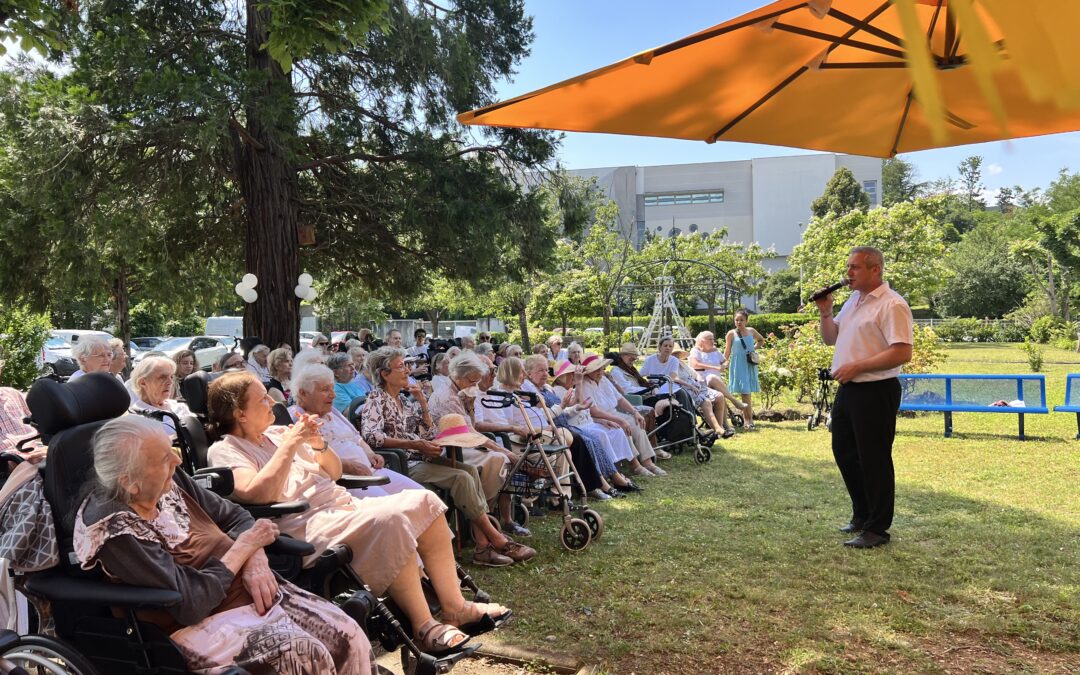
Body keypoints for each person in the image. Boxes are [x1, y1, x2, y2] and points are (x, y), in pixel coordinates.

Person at [206, 371, 512, 651]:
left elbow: (334, 471)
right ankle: (423, 627)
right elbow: (258, 493)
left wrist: (318, 445)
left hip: (341, 505)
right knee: (390, 520)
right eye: (262, 398)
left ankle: (455, 606)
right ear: (239, 412)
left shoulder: (276, 435)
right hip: (305, 523)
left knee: (426, 502)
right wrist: (291, 445)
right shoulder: (226, 448)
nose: (272, 401)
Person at [74, 416, 375, 674]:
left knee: (348, 635)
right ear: (129, 482)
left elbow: (234, 514)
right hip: (198, 623)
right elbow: (191, 604)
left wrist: (255, 558)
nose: (178, 461)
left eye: (172, 451)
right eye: (166, 459)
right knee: (304, 656)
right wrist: (244, 548)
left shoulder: (167, 479)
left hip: (251, 592)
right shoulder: (115, 528)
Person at [359, 347, 535, 567]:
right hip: (403, 463)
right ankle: (494, 541)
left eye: (406, 365)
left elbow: (430, 433)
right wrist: (415, 444)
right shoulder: (376, 398)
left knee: (469, 471)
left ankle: (484, 546)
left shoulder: (402, 400)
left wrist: (423, 403)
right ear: (385, 374)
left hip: (421, 456)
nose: (407, 370)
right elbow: (371, 436)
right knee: (461, 477)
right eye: (401, 366)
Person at [816, 246, 913, 549]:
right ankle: (862, 514)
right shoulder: (854, 301)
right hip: (850, 389)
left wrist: (858, 366)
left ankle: (877, 529)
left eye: (855, 267)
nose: (848, 274)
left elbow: (902, 351)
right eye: (848, 267)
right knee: (844, 451)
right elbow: (831, 337)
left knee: (874, 458)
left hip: (876, 389)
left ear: (875, 270)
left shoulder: (891, 304)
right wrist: (825, 311)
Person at [289, 364, 423, 498]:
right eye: (325, 390)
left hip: (371, 471)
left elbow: (356, 437)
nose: (333, 395)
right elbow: (308, 459)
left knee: (423, 496)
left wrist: (370, 454)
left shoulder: (333, 412)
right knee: (395, 508)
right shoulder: (296, 419)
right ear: (303, 393)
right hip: (345, 480)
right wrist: (346, 466)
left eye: (332, 388)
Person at [427, 351, 521, 537]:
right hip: (449, 449)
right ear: (459, 376)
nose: (475, 386)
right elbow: (469, 433)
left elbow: (470, 427)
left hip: (464, 443)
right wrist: (504, 450)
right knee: (498, 459)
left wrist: (469, 406)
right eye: (472, 382)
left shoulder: (460, 391)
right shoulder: (448, 397)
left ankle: (490, 516)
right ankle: (481, 517)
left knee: (499, 458)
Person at [550, 361, 642, 495]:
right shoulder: (558, 390)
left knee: (613, 431)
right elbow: (577, 404)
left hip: (586, 422)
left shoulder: (571, 387)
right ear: (563, 377)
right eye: (571, 375)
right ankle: (609, 478)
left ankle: (618, 472)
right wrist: (580, 383)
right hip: (575, 426)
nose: (574, 377)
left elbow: (582, 408)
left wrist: (601, 420)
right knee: (598, 436)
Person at [579, 354, 666, 477]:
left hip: (613, 412)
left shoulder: (604, 380)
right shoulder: (584, 384)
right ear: (589, 371)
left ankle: (648, 462)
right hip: (599, 418)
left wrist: (634, 412)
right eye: (596, 369)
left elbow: (620, 399)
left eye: (601, 368)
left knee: (636, 423)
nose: (600, 372)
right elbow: (594, 411)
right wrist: (620, 420)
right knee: (623, 427)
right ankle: (635, 465)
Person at [689, 331, 748, 422]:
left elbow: (725, 360)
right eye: (710, 339)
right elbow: (695, 364)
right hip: (702, 380)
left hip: (716, 381)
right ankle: (734, 401)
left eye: (713, 339)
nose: (713, 341)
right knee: (712, 378)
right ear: (702, 341)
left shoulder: (715, 350)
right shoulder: (695, 351)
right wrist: (715, 367)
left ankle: (725, 425)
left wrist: (724, 365)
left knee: (719, 391)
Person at [129, 356, 193, 437]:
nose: (170, 382)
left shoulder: (180, 406)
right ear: (143, 383)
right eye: (162, 378)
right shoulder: (136, 418)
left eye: (171, 377)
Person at [724, 310, 765, 429]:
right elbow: (727, 351)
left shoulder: (751, 331)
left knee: (746, 393)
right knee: (745, 393)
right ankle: (748, 421)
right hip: (738, 364)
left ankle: (748, 420)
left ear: (746, 320)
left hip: (749, 364)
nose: (739, 322)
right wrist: (723, 363)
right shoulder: (731, 334)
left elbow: (761, 340)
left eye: (741, 320)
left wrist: (753, 350)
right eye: (737, 320)